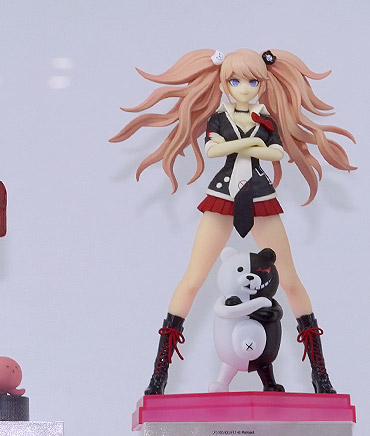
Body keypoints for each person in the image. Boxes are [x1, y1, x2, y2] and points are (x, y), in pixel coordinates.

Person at [110, 49, 356, 395]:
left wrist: (247, 144)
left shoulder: (266, 119)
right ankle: (159, 374)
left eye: (252, 81)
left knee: (290, 282)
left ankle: (320, 374)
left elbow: (276, 152)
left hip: (260, 196)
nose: (243, 87)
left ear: (263, 84)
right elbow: (213, 150)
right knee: (193, 281)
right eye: (235, 80)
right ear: (224, 83)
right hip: (223, 196)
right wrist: (252, 142)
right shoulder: (219, 118)